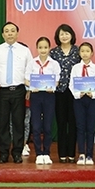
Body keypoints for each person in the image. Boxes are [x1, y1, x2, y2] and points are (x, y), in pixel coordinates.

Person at [0, 22, 32, 164]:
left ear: (17, 33)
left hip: (19, 90)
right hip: (2, 91)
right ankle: (3, 153)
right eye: (6, 31)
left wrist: (28, 89)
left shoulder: (24, 51)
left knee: (18, 123)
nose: (9, 33)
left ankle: (17, 153)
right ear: (2, 34)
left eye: (12, 31)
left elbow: (29, 70)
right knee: (2, 123)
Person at [25, 37, 60, 165]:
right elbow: (26, 79)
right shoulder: (32, 63)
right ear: (37, 48)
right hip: (36, 96)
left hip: (49, 96)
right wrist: (31, 86)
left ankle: (46, 152)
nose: (43, 50)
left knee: (47, 126)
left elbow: (57, 80)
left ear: (49, 48)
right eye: (40, 47)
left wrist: (53, 87)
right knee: (36, 125)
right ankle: (38, 154)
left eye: (45, 47)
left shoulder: (54, 64)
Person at [49, 24, 80, 163]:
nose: (64, 36)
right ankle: (62, 154)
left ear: (72, 35)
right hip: (59, 91)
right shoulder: (53, 53)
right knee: (61, 122)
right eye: (62, 34)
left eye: (67, 33)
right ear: (58, 36)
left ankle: (72, 154)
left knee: (73, 123)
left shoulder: (78, 51)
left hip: (74, 92)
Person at [69, 42, 95, 165]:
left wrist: (93, 94)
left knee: (90, 127)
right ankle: (81, 154)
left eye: (87, 51)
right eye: (82, 51)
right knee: (80, 126)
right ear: (79, 53)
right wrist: (78, 94)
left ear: (92, 53)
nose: (85, 53)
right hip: (79, 100)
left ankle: (89, 155)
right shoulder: (75, 68)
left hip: (92, 100)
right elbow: (71, 84)